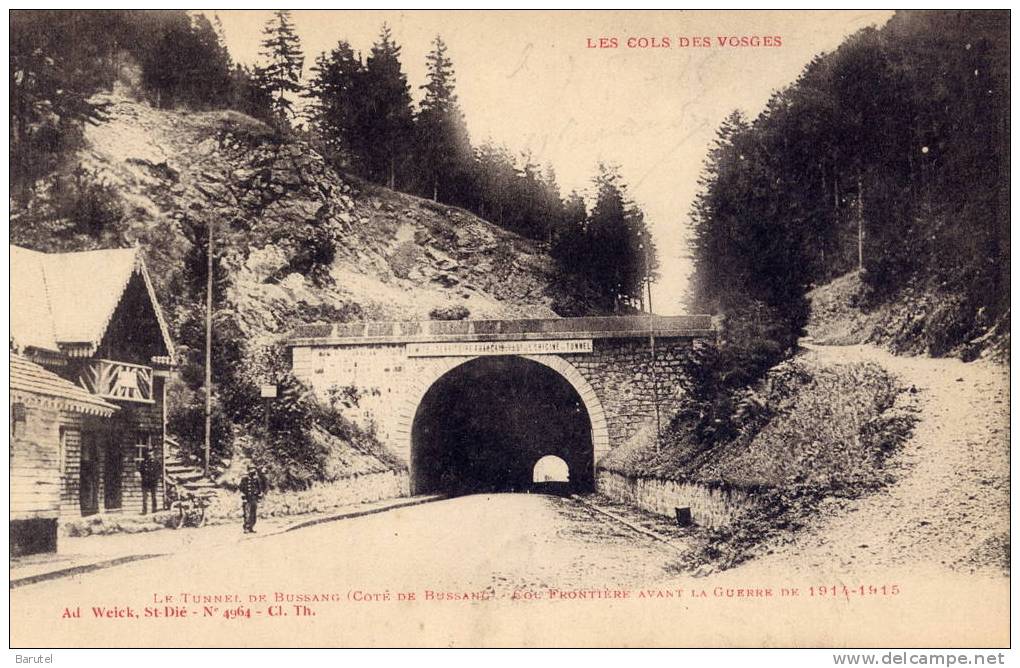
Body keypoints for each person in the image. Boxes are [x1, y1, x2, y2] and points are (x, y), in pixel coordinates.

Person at [239, 464, 264, 533]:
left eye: (254, 469)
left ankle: (251, 527)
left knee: (253, 514)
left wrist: (260, 495)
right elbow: (241, 488)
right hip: (247, 498)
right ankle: (246, 528)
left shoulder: (257, 479)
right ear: (248, 470)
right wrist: (243, 496)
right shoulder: (245, 479)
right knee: (247, 514)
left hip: (254, 498)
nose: (253, 470)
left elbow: (260, 488)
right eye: (251, 469)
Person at [137, 449, 160, 515]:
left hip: (153, 482)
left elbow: (159, 471)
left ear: (153, 454)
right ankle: (144, 511)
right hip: (145, 482)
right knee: (145, 497)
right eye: (148, 455)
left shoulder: (156, 462)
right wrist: (143, 477)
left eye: (151, 455)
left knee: (154, 496)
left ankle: (154, 509)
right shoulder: (144, 462)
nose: (150, 456)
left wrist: (156, 478)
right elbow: (141, 471)